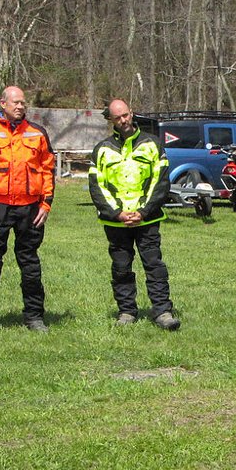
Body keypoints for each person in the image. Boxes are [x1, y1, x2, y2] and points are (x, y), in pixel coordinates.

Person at [0, 86, 54, 334]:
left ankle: (34, 317)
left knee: (31, 266)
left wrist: (46, 204)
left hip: (30, 209)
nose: (20, 107)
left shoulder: (37, 134)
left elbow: (48, 170)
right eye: (15, 103)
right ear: (2, 104)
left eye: (23, 103)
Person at [88, 99, 180, 330]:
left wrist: (143, 211)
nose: (123, 120)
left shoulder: (153, 144)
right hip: (116, 222)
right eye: (118, 117)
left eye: (126, 115)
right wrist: (117, 213)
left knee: (154, 266)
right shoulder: (102, 149)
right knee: (121, 268)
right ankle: (127, 311)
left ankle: (162, 312)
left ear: (132, 113)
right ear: (111, 120)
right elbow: (97, 187)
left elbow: (161, 182)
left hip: (147, 219)